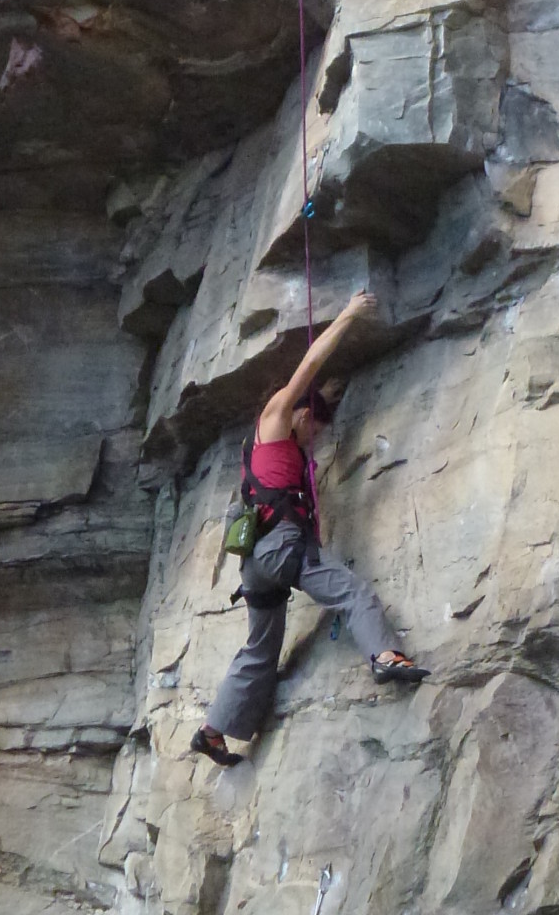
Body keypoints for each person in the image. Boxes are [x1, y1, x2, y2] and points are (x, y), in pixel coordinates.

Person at [191, 291, 430, 766]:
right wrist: (347, 315)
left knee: (261, 648)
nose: (316, 438)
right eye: (315, 429)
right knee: (352, 592)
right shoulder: (279, 413)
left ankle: (212, 731)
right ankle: (385, 656)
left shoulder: (279, 448)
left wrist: (330, 398)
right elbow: (311, 362)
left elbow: (316, 405)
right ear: (301, 415)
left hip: (257, 564)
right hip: (281, 548)